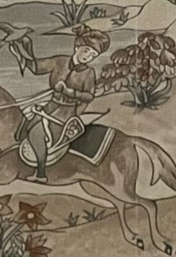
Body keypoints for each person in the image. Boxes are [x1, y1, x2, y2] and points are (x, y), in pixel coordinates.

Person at [16, 24, 110, 179]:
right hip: (50, 106)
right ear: (77, 47)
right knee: (25, 126)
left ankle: (40, 173)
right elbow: (36, 67)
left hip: (66, 113)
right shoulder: (60, 61)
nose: (88, 56)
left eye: (92, 55)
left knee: (36, 132)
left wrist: (69, 92)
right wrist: (23, 49)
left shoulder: (88, 73)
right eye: (86, 50)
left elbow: (89, 96)